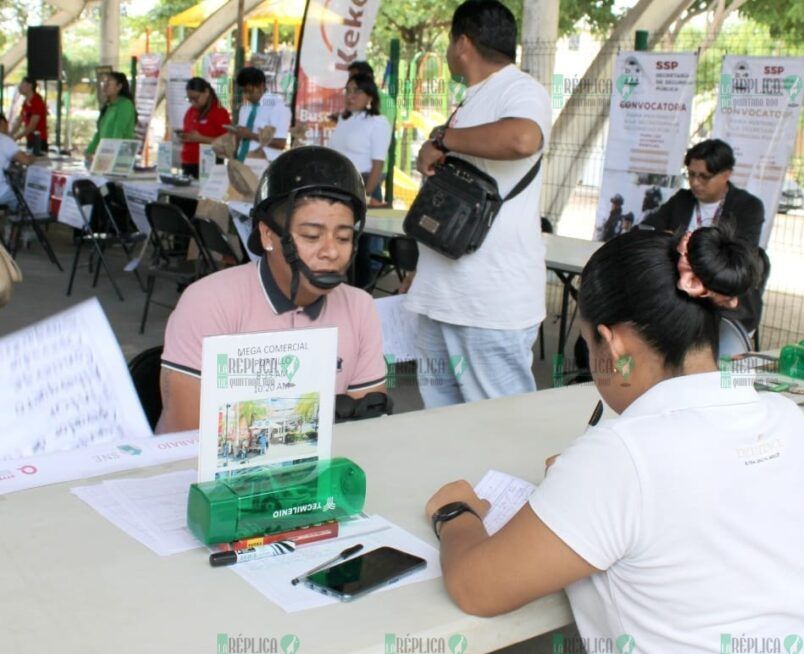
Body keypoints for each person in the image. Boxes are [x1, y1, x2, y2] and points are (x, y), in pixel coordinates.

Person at [423, 226, 804, 654]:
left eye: (588, 343)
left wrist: (456, 514)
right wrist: (582, 488)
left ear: (612, 343)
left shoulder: (620, 458)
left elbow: (477, 588)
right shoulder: (785, 418)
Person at [156, 147, 387, 433]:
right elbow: (187, 438)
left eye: (344, 237)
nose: (330, 251)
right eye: (312, 236)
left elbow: (364, 429)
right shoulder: (207, 302)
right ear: (267, 235)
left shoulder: (360, 307)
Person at [404, 0, 552, 408]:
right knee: (442, 419)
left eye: (451, 43)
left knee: (500, 423)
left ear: (463, 43)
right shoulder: (474, 98)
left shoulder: (520, 88)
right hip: (445, 293)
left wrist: (443, 140)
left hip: (490, 302)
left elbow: (523, 139)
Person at [642, 138, 767, 334]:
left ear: (726, 174)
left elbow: (738, 256)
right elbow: (649, 230)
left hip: (722, 296)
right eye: (691, 175)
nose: (695, 183)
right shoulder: (682, 199)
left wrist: (678, 243)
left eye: (704, 176)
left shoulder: (748, 207)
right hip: (676, 291)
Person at [327, 72, 393, 288]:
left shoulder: (378, 122)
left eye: (357, 91)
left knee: (359, 246)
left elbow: (378, 163)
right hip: (338, 185)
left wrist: (366, 194)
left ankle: (361, 294)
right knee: (339, 241)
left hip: (362, 184)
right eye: (348, 90)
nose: (350, 95)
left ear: (370, 96)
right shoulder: (344, 120)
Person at [177, 77, 231, 178]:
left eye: (196, 98)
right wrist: (184, 136)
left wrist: (201, 139)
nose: (193, 102)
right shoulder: (191, 111)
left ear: (206, 92)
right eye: (189, 99)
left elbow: (228, 143)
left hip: (209, 164)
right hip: (188, 163)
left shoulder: (219, 112)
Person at [233, 67, 290, 162]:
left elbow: (280, 143)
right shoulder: (245, 107)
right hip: (242, 162)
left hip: (264, 164)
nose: (247, 96)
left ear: (261, 86)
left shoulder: (277, 106)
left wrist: (251, 135)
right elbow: (241, 137)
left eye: (250, 91)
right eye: (244, 92)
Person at [85, 72, 137, 158]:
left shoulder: (125, 105)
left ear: (119, 87)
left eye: (109, 83)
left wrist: (110, 154)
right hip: (106, 154)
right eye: (104, 82)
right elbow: (100, 133)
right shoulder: (108, 106)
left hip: (119, 156)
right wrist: (89, 151)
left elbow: (119, 131)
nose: (105, 86)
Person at [0, 115, 35, 210]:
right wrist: (32, 157)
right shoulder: (4, 139)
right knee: (29, 198)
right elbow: (26, 161)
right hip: (2, 193)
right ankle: (19, 221)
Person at [10, 78, 48, 153]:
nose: (19, 87)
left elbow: (31, 127)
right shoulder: (25, 102)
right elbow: (19, 120)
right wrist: (9, 135)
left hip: (39, 142)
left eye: (22, 84)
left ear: (30, 85)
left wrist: (16, 137)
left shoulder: (37, 101)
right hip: (30, 140)